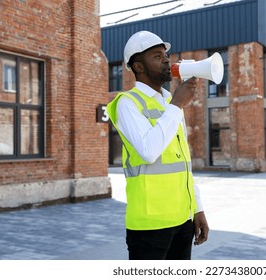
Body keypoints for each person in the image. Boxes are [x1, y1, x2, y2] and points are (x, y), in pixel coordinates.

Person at [106, 31, 209, 260]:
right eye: (157, 56)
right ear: (139, 66)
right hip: (149, 225)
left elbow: (183, 162)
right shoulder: (127, 103)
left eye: (166, 54)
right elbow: (149, 151)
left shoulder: (168, 103)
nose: (166, 60)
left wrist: (197, 208)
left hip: (183, 220)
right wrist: (178, 104)